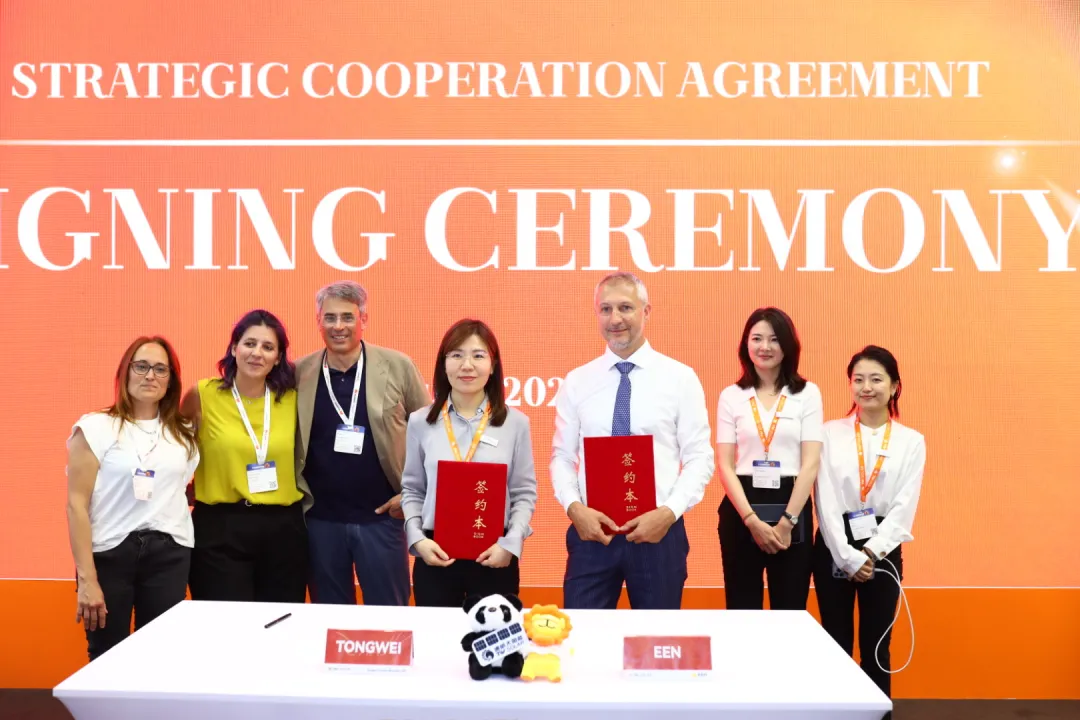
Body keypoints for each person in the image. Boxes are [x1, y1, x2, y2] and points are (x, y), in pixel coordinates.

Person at [550, 272, 714, 610]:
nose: (615, 319)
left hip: (659, 533)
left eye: (625, 307)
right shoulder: (578, 381)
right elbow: (562, 457)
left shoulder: (679, 378)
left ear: (646, 311)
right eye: (605, 309)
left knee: (657, 637)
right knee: (583, 634)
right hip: (593, 534)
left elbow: (699, 458)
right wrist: (574, 508)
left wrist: (668, 513)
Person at [295, 281, 430, 606]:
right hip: (320, 521)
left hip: (382, 519)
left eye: (347, 317)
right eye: (330, 318)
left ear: (363, 320)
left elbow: (431, 434)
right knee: (330, 616)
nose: (338, 326)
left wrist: (412, 495)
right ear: (318, 321)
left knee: (389, 615)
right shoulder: (299, 372)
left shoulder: (397, 366)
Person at [66, 336, 199, 660]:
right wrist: (87, 579)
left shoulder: (184, 432)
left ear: (171, 380)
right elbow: (76, 505)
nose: (150, 375)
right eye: (141, 366)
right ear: (125, 372)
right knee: (106, 655)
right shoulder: (96, 427)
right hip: (110, 553)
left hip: (169, 554)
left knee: (159, 656)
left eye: (160, 369)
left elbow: (179, 489)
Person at [813, 345, 925, 699]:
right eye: (858, 379)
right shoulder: (829, 433)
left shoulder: (911, 441)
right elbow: (825, 499)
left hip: (883, 547)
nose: (866, 387)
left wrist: (871, 552)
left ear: (894, 386)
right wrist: (847, 556)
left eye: (876, 379)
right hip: (834, 542)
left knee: (877, 646)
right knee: (835, 642)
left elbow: (904, 506)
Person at [401, 319, 537, 607]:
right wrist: (418, 540)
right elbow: (412, 490)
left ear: (493, 364)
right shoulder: (421, 421)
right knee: (437, 635)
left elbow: (523, 493)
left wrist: (511, 544)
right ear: (443, 363)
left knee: (494, 636)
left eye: (478, 355)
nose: (467, 365)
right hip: (435, 554)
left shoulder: (516, 423)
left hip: (494, 555)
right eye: (457, 355)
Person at [181, 309, 308, 603]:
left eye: (268, 347)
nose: (257, 353)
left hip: (283, 528)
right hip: (220, 527)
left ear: (278, 357)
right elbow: (173, 447)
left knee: (280, 622)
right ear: (234, 348)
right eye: (250, 343)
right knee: (227, 624)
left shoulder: (292, 399)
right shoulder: (202, 395)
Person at [715, 308, 823, 610]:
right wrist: (750, 520)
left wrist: (788, 522)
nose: (765, 347)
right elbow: (724, 464)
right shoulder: (731, 395)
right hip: (742, 507)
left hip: (791, 504)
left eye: (774, 339)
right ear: (745, 344)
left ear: (788, 345)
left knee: (790, 609)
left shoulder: (807, 393)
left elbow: (810, 463)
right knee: (742, 607)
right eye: (757, 338)